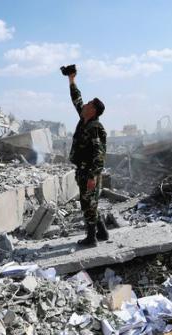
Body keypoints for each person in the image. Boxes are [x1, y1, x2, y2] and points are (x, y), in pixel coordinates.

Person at [67, 70, 108, 246]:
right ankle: (103, 233)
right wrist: (71, 79)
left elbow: (99, 154)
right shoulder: (84, 120)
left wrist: (93, 175)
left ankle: (92, 238)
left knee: (89, 204)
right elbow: (77, 100)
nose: (84, 105)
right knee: (89, 203)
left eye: (88, 104)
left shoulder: (95, 127)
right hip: (82, 170)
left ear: (93, 111)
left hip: (90, 172)